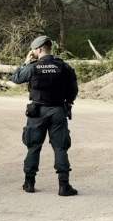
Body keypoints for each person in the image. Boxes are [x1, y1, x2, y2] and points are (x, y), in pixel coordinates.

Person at [11, 35, 79, 196]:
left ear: (39, 49)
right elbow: (74, 89)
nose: (32, 52)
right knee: (60, 148)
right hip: (57, 111)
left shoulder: (33, 67)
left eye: (33, 50)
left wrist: (26, 62)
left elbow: (16, 78)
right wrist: (68, 103)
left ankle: (29, 183)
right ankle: (64, 186)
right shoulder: (63, 66)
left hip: (37, 112)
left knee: (33, 146)